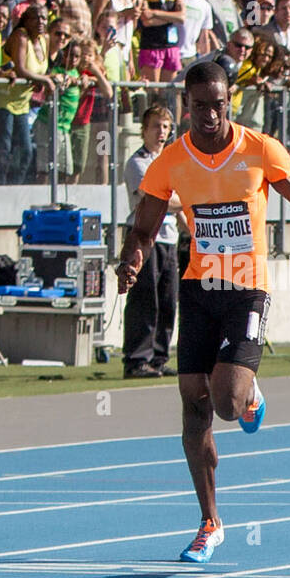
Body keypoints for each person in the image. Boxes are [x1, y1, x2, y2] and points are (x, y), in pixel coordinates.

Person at [116, 60, 290, 563]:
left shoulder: (259, 150)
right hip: (199, 287)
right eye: (198, 106)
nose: (208, 115)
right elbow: (144, 227)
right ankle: (209, 521)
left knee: (225, 403)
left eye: (217, 105)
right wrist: (132, 259)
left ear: (229, 103)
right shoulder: (172, 161)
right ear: (187, 105)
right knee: (192, 403)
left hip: (247, 291)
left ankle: (248, 395)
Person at [122, 105, 182, 378]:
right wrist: (186, 201)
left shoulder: (170, 161)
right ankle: (136, 359)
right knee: (145, 299)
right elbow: (159, 200)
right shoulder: (138, 163)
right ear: (144, 130)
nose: (161, 132)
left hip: (168, 238)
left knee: (168, 300)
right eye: (156, 126)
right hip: (145, 237)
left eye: (166, 127)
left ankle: (158, 356)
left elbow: (179, 201)